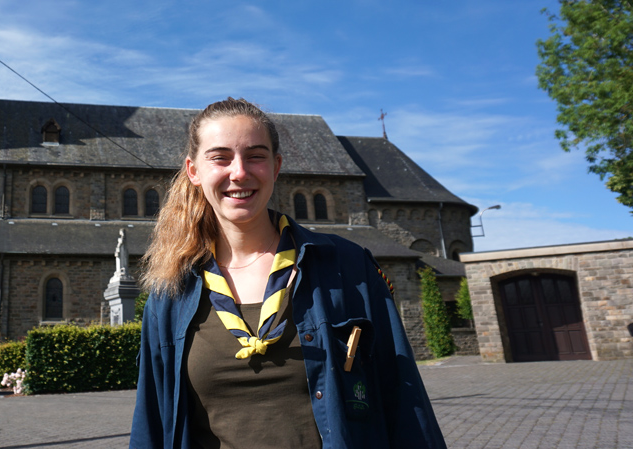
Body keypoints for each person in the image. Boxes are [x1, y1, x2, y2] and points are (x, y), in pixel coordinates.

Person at [129, 98, 446, 449]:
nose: (239, 172)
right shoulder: (169, 293)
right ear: (194, 171)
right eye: (220, 157)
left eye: (255, 155)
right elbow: (152, 423)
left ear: (276, 166)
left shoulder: (349, 267)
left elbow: (404, 401)